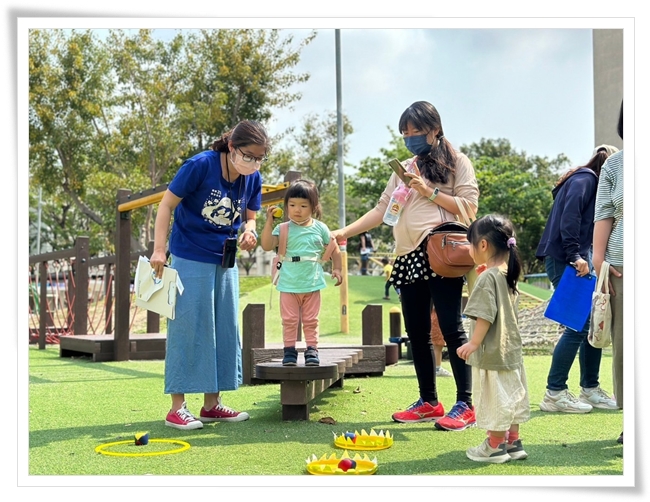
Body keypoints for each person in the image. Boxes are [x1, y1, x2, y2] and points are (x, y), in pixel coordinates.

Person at [332, 101, 479, 430]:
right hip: (408, 255)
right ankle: (429, 401)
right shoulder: (406, 167)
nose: (410, 137)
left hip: (441, 251)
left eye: (416, 131)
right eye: (405, 133)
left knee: (452, 328)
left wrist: (430, 191)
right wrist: (344, 231)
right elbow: (383, 210)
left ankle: (465, 403)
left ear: (435, 130)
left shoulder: (458, 162)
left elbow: (469, 207)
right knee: (416, 331)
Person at [150, 120, 268, 430]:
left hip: (224, 260)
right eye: (248, 155)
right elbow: (166, 206)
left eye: (260, 158)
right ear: (232, 148)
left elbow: (250, 216)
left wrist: (250, 232)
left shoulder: (252, 176)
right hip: (189, 255)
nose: (254, 163)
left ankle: (211, 404)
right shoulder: (200, 165)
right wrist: (159, 250)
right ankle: (177, 407)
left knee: (223, 327)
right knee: (188, 327)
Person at [536, 144, 619, 414]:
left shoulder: (588, 182)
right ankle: (555, 392)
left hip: (578, 259)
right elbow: (569, 217)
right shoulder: (586, 180)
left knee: (592, 322)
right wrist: (575, 255)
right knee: (578, 325)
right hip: (566, 259)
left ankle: (590, 388)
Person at [457, 214, 530, 463]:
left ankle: (495, 445)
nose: (469, 249)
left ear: (484, 245)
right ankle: (513, 443)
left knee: (496, 398)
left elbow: (484, 315)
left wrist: (473, 342)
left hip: (492, 351)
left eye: (471, 244)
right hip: (511, 350)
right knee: (512, 395)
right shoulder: (507, 274)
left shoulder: (488, 277)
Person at [260, 179, 343, 367]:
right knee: (289, 320)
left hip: (312, 284)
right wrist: (269, 221)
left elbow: (334, 249)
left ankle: (312, 350)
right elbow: (266, 245)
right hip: (288, 284)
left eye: (303, 205)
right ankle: (289, 351)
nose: (297, 210)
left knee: (311, 320)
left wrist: (337, 268)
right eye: (292, 205)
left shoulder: (320, 228)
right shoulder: (283, 229)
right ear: (287, 206)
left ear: (313, 207)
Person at [593, 101, 624, 445]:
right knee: (628, 347)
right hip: (621, 269)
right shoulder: (614, 164)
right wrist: (599, 260)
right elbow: (604, 213)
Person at [431, 308, 452, 377]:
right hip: (437, 314)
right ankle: (437, 368)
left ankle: (435, 368)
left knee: (436, 344)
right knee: (437, 345)